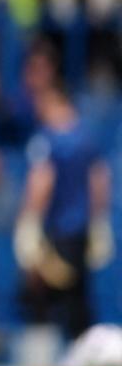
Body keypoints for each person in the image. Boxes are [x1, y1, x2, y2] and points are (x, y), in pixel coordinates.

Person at [15, 83, 114, 343]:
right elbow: (100, 181)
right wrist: (98, 220)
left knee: (41, 294)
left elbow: (41, 180)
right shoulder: (87, 137)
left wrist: (29, 220)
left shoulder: (47, 138)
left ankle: (41, 358)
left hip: (56, 230)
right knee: (79, 295)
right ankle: (83, 355)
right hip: (80, 230)